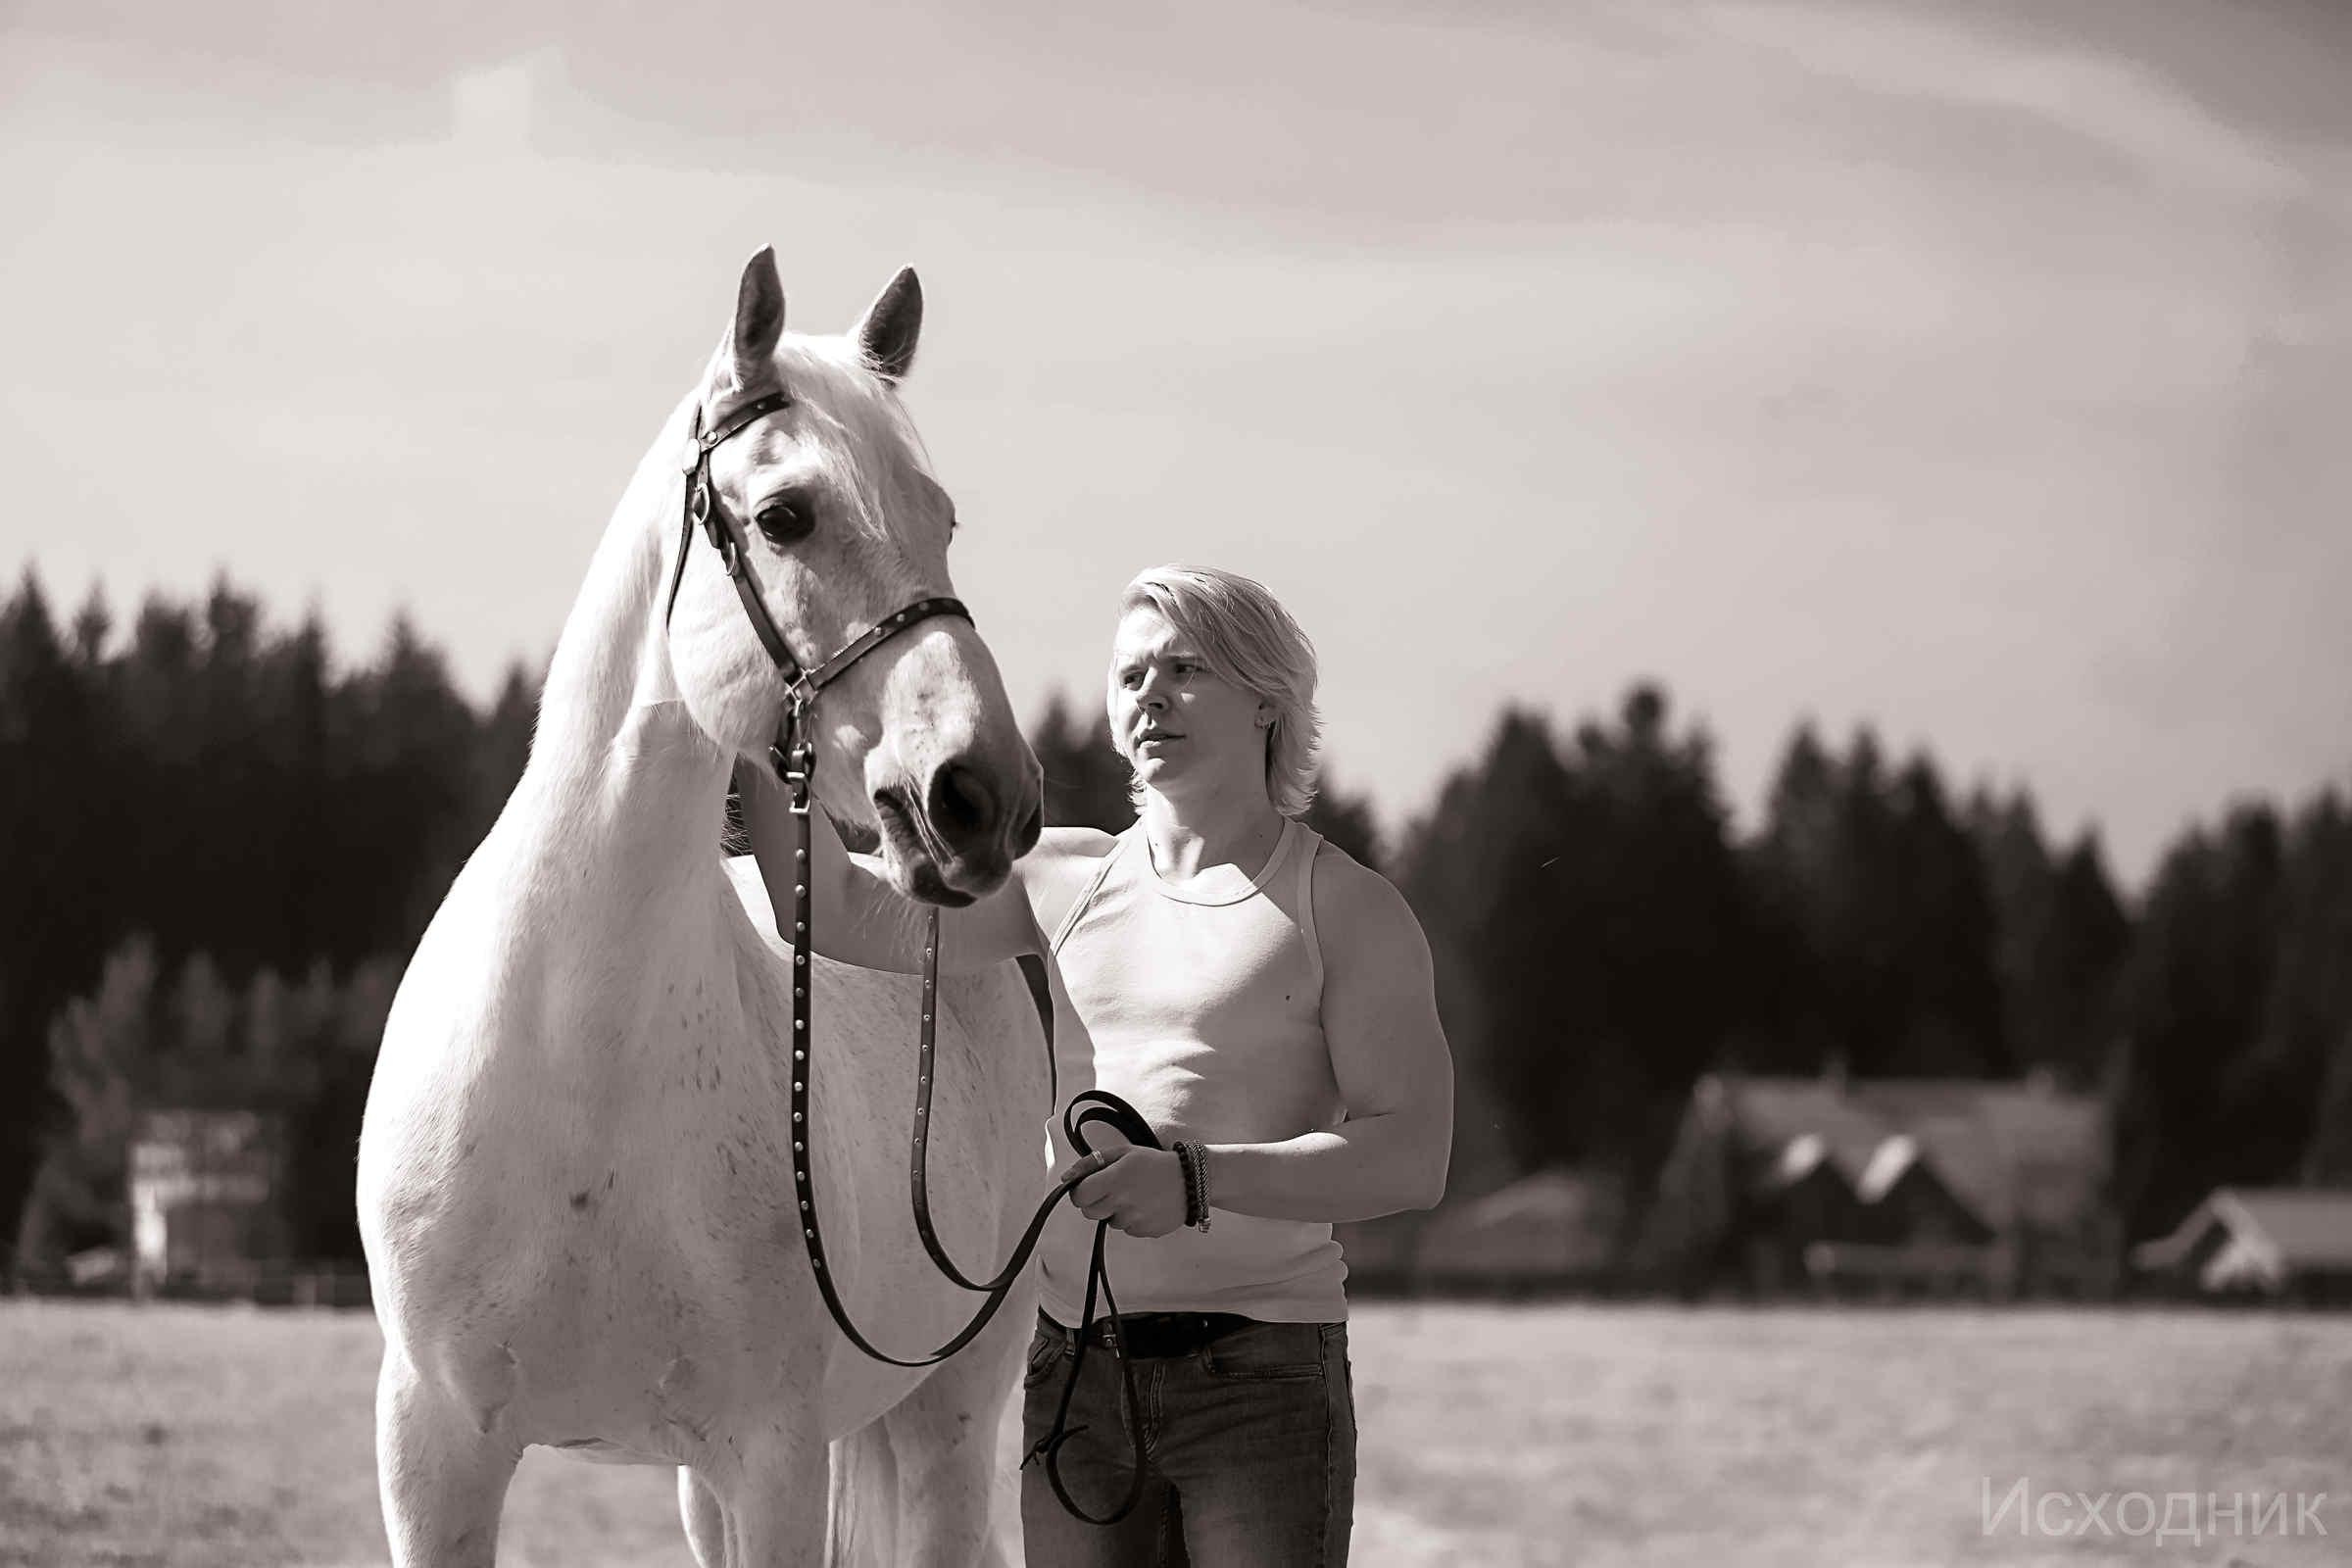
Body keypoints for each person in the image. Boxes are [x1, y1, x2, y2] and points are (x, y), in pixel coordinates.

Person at [742, 564, 1453, 1565]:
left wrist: (1195, 1180)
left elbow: (1411, 1156)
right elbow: (835, 915)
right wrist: (771, 752)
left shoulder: (1349, 908)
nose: (1149, 695)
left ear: (1267, 699)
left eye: (1185, 667)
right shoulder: (1058, 879)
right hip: (1075, 1377)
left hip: (1262, 1382)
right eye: (1130, 676)